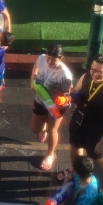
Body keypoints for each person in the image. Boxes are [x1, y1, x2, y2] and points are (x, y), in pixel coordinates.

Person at [66, 55, 103, 186]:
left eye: (100, 72)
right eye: (93, 70)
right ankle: (76, 169)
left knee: (98, 156)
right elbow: (76, 91)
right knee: (74, 147)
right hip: (79, 120)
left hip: (96, 128)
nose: (95, 74)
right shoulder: (86, 76)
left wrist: (102, 142)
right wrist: (70, 99)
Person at [30, 43, 72, 174]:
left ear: (61, 58)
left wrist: (58, 105)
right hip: (40, 99)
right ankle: (44, 128)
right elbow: (36, 67)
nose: (49, 62)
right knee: (35, 129)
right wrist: (32, 80)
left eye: (53, 60)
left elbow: (66, 95)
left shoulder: (65, 75)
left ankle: (50, 154)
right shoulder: (41, 58)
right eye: (48, 58)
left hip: (55, 105)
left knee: (52, 130)